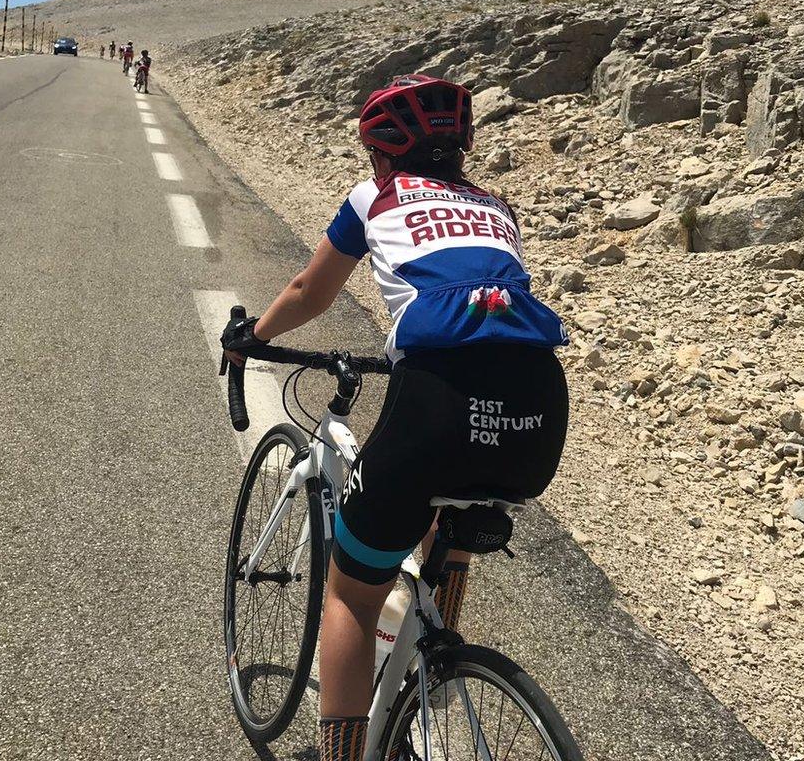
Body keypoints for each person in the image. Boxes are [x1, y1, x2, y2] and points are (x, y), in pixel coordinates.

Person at [222, 75, 569, 761]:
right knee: (454, 520)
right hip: (538, 406)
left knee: (351, 594)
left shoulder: (372, 196)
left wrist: (254, 337)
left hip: (438, 397)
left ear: (381, 154)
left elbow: (309, 290)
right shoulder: (496, 206)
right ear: (461, 147)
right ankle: (429, 670)